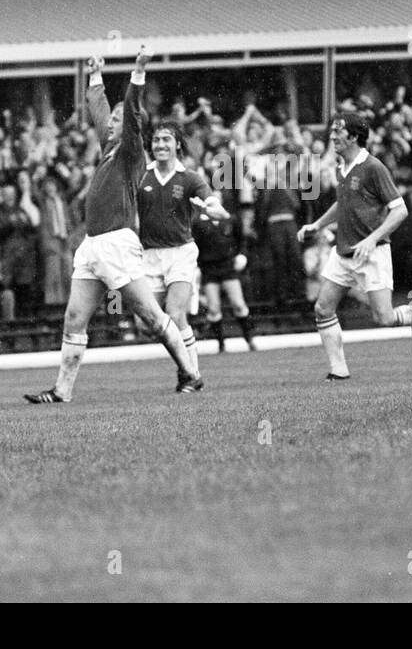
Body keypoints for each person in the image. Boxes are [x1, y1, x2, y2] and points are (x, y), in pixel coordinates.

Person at [24, 47, 200, 403]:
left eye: (119, 118)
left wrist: (138, 73)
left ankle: (191, 373)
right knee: (74, 316)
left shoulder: (132, 149)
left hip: (116, 242)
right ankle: (61, 391)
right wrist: (95, 77)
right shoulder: (110, 146)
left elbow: (131, 112)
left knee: (151, 315)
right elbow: (99, 111)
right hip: (93, 244)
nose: (112, 121)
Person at [296, 113, 412, 381]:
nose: (332, 137)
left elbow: (400, 211)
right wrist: (318, 224)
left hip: (373, 253)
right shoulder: (341, 167)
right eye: (332, 132)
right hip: (343, 253)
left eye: (338, 132)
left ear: (354, 136)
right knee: (323, 308)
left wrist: (372, 239)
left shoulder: (373, 167)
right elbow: (343, 203)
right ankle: (338, 370)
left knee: (383, 317)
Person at [136, 119, 229, 384]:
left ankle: (192, 374)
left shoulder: (190, 178)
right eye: (156, 140)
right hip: (149, 256)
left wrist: (209, 210)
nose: (160, 144)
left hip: (180, 253)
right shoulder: (141, 175)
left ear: (177, 144)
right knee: (146, 323)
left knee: (175, 314)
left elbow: (221, 211)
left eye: (166, 139)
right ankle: (184, 366)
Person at [193, 210, 257, 353]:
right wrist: (196, 265)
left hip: (227, 266)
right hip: (209, 268)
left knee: (238, 304)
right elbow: (194, 244)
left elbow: (241, 239)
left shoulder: (231, 218)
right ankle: (221, 344)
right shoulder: (198, 221)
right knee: (214, 308)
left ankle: (249, 339)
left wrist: (242, 255)